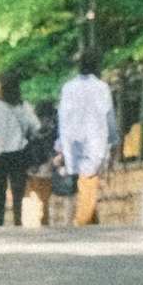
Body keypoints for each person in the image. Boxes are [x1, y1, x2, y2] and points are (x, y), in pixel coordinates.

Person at [54, 46, 115, 228]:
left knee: (77, 184)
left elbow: (62, 117)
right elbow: (109, 117)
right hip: (94, 140)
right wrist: (114, 142)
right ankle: (81, 223)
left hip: (71, 140)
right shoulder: (101, 88)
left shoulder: (68, 88)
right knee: (89, 180)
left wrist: (60, 143)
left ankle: (85, 222)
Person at [0, 72, 35, 227]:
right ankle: (18, 220)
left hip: (1, 153)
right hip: (20, 152)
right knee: (18, 189)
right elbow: (34, 126)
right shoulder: (24, 106)